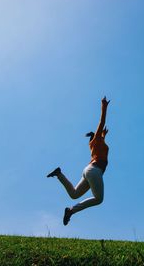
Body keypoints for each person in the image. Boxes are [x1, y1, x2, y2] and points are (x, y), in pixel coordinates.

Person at [47, 96, 110, 226]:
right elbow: (101, 122)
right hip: (94, 170)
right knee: (99, 199)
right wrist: (104, 107)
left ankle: (59, 174)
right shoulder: (97, 140)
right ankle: (71, 212)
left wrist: (103, 135)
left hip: (89, 170)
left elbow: (102, 139)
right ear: (96, 136)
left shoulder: (97, 142)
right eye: (99, 135)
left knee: (74, 194)